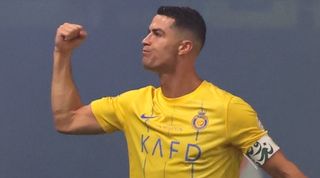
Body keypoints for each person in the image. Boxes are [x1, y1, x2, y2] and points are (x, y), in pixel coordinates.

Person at [51, 6, 307, 178]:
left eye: (157, 34)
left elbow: (285, 171)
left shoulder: (229, 110)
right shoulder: (133, 104)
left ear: (184, 47)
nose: (145, 40)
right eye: (148, 32)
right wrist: (62, 54)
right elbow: (68, 119)